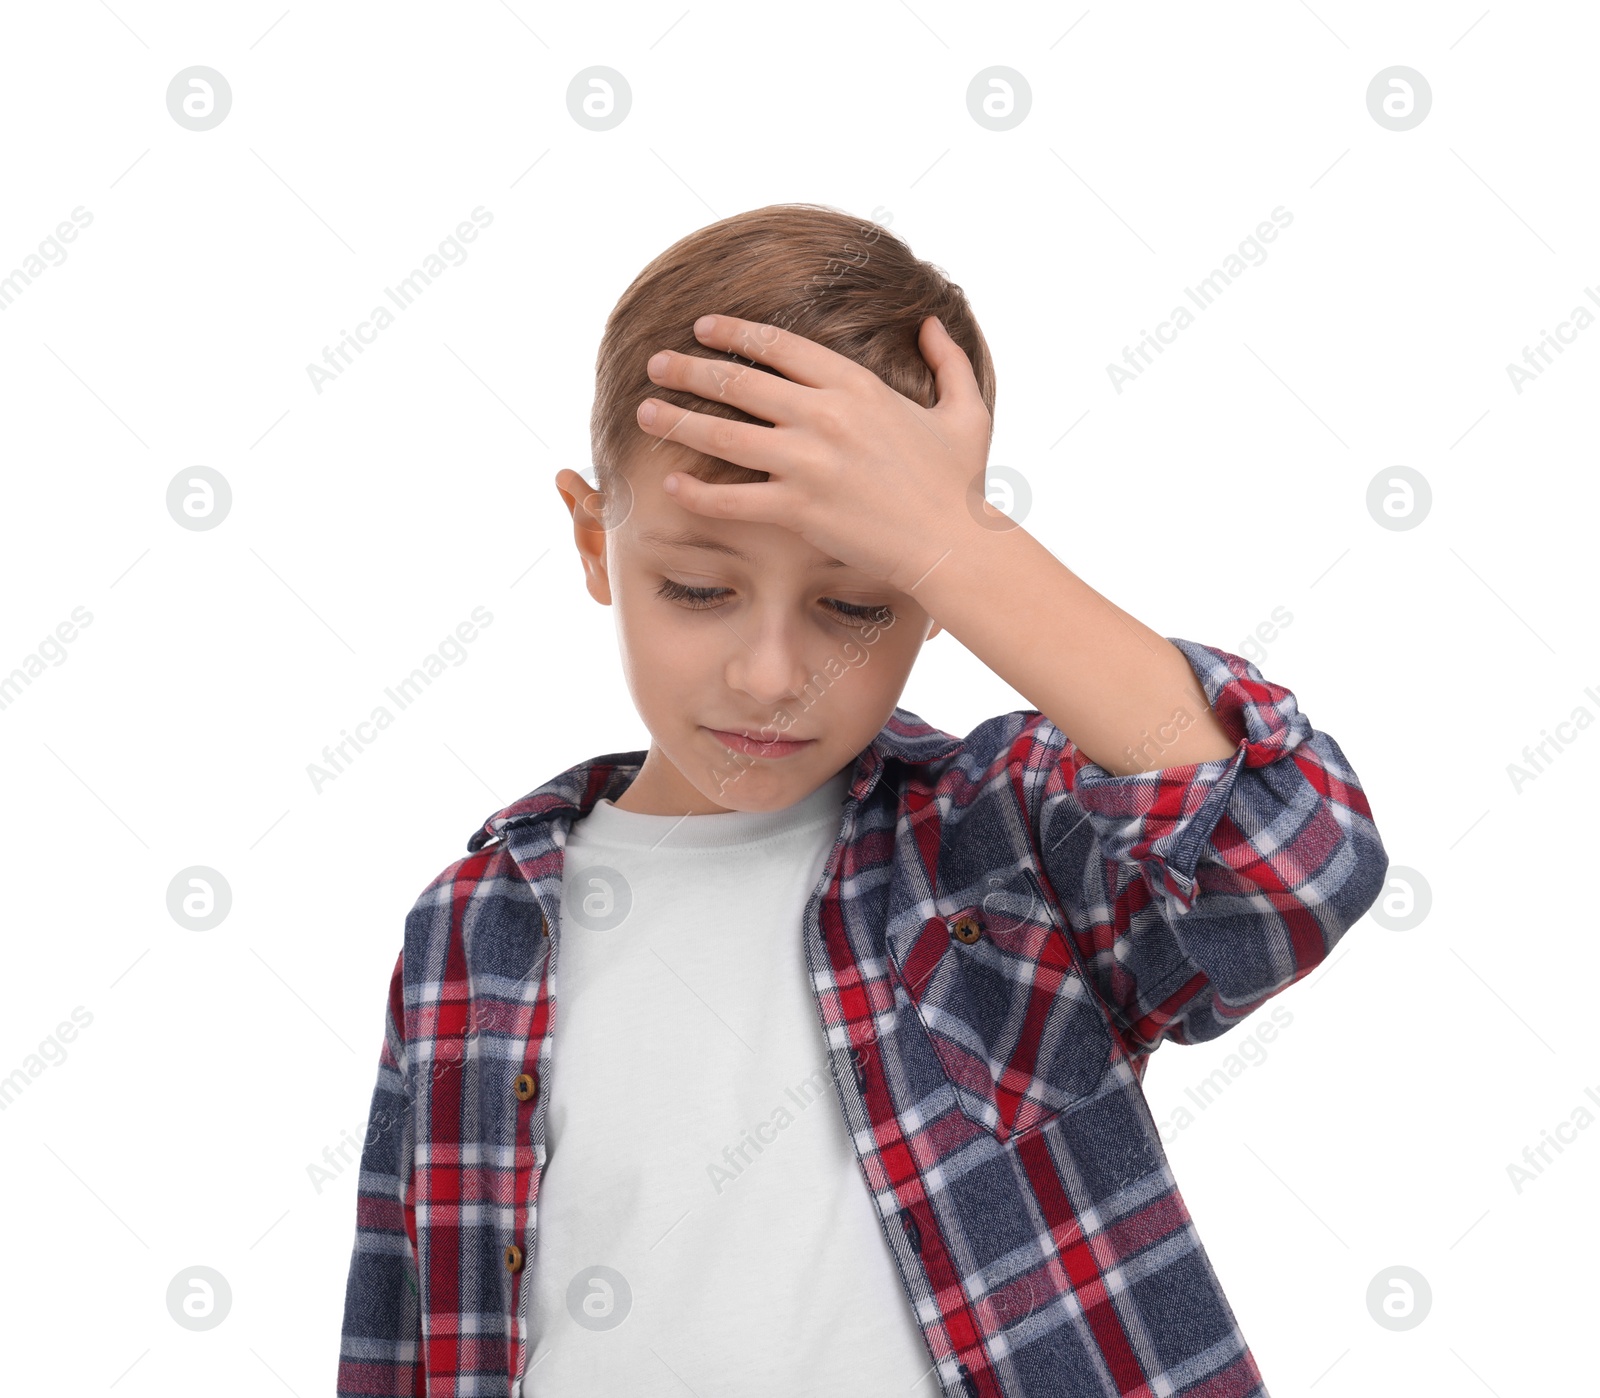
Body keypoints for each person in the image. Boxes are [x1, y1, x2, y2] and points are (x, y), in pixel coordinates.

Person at [336, 202, 1389, 1398]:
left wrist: (954, 534)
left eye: (855, 603)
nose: (770, 675)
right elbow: (403, 1329)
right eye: (695, 586)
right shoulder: (471, 928)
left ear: (939, 595)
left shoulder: (1008, 843)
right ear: (592, 541)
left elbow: (1291, 865)